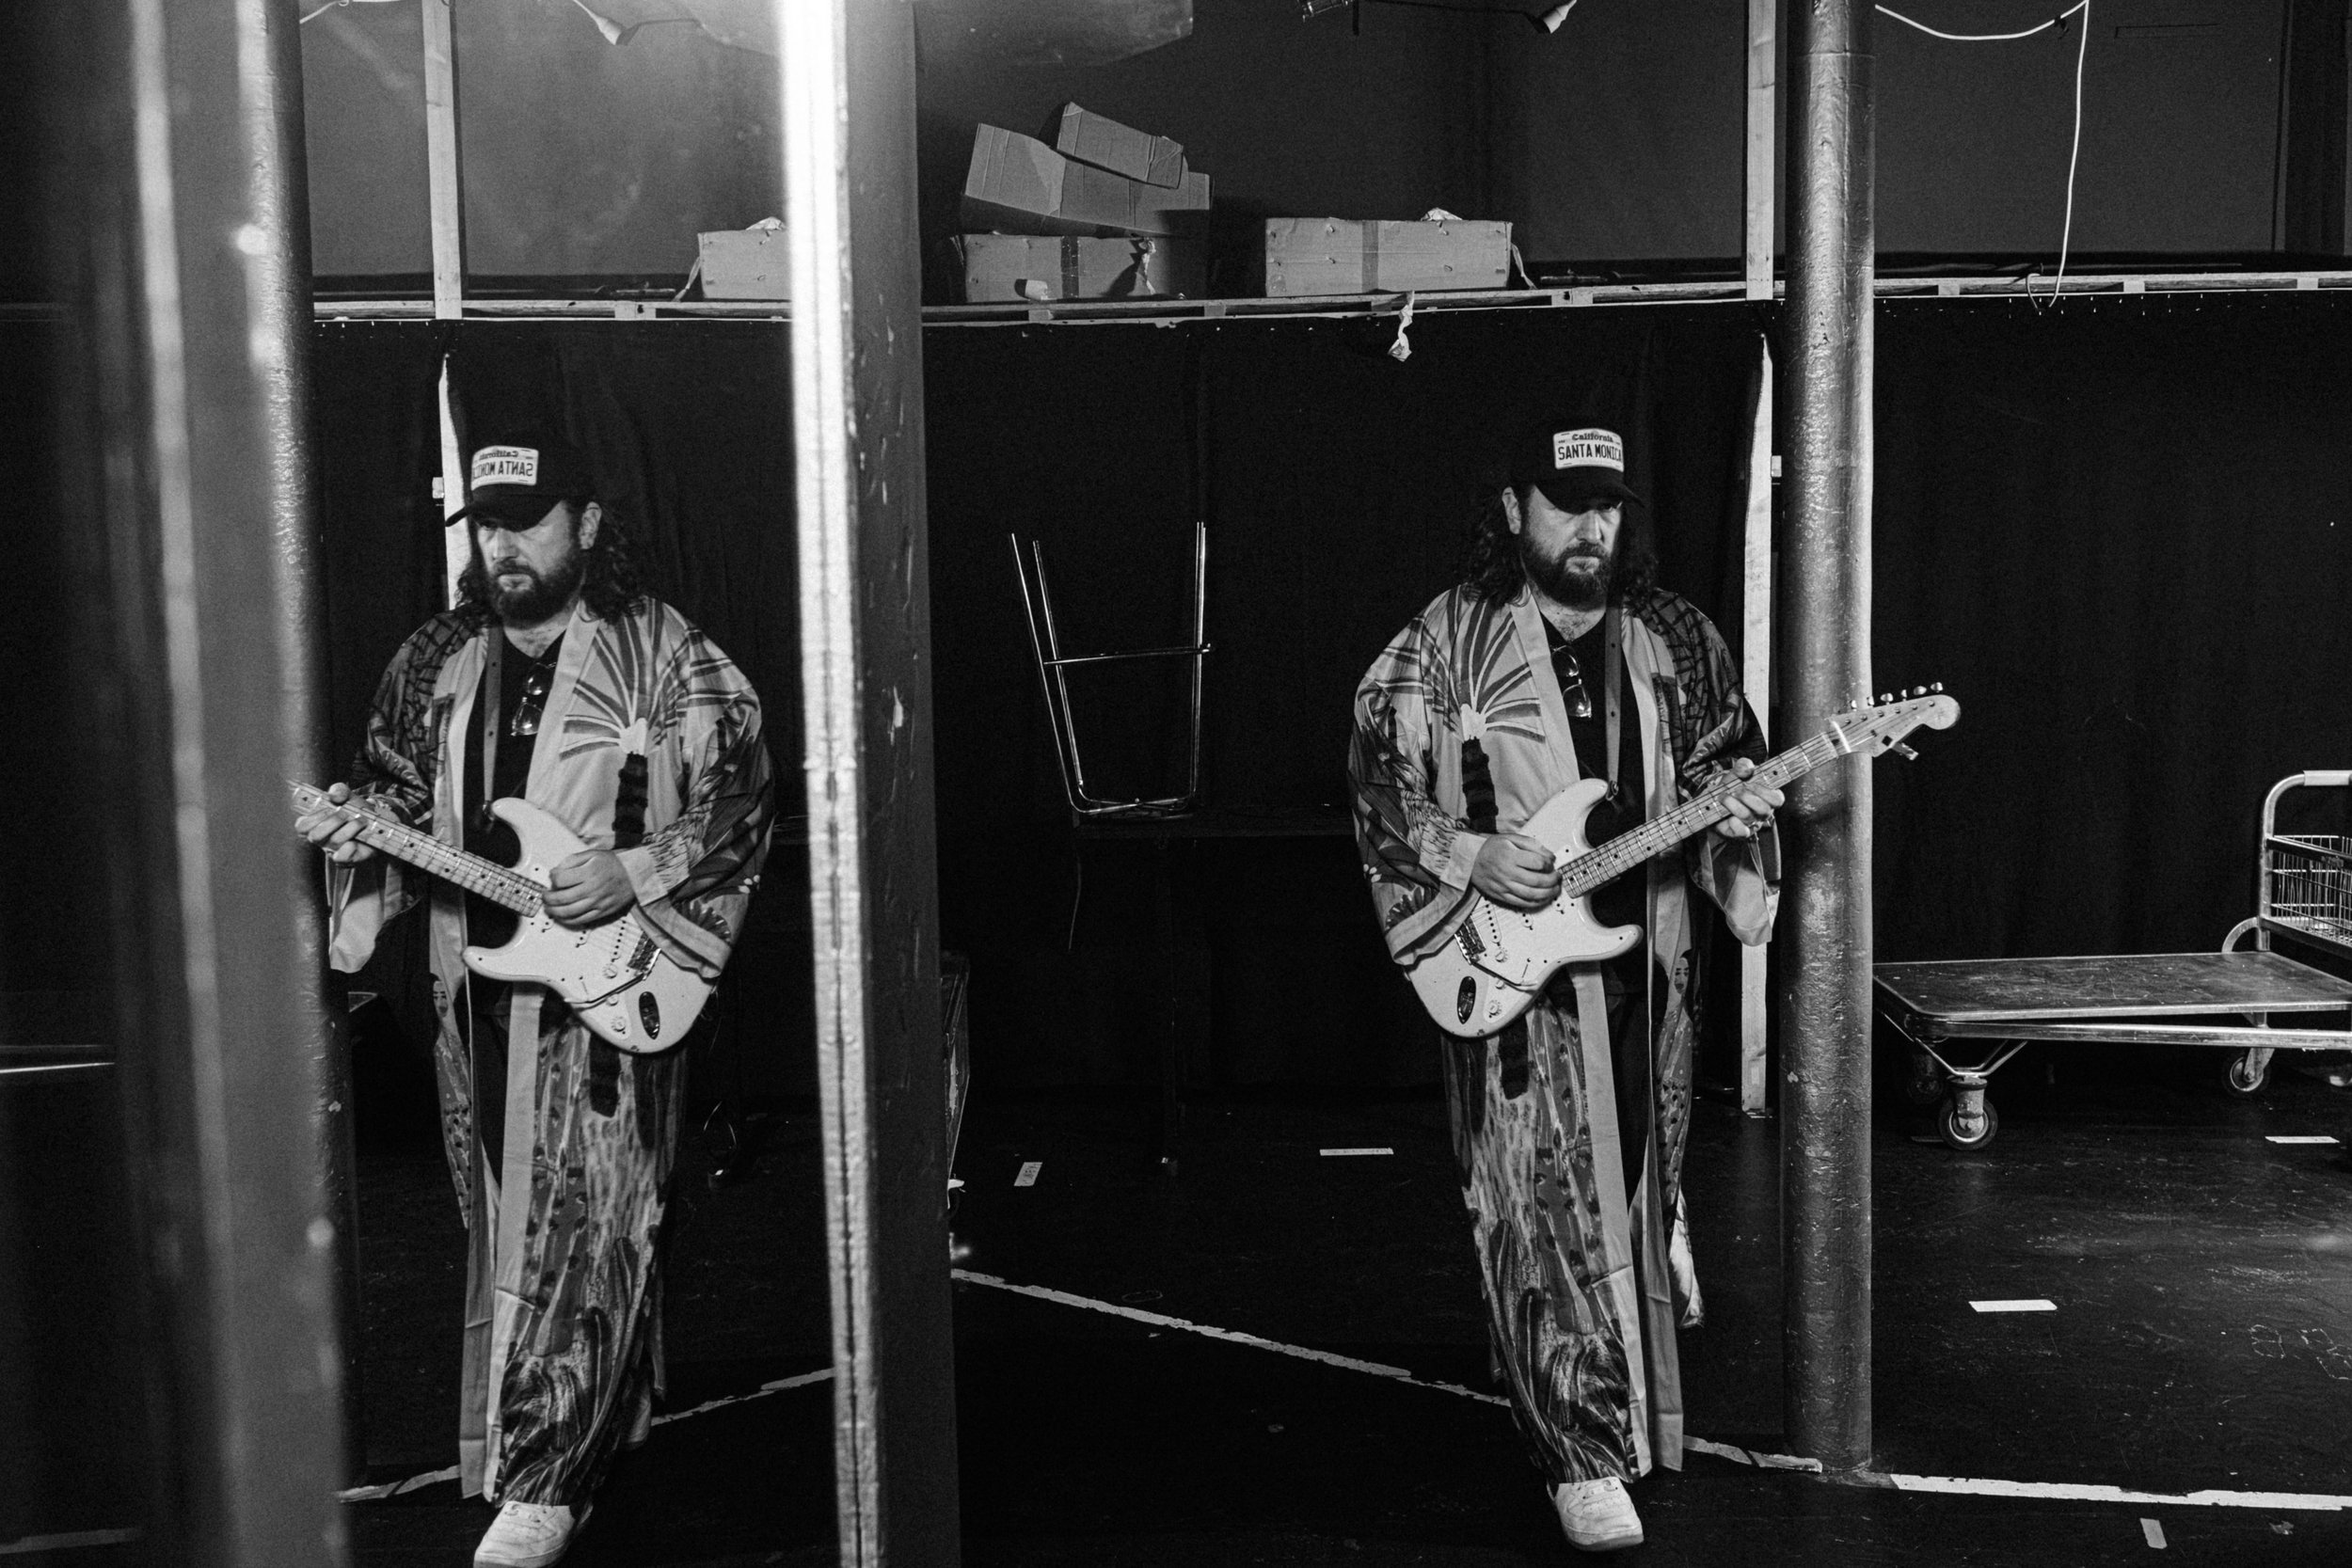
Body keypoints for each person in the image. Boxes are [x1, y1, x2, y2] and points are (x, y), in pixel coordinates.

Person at [297, 434, 774, 1568]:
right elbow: (398, 788)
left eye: (529, 519)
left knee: (593, 1214)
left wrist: (637, 866)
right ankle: (613, 1403)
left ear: (589, 523)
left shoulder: (667, 657)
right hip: (477, 982)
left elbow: (742, 796)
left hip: (617, 980)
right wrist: (354, 825)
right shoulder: (436, 657)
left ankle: (548, 1477)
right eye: (489, 525)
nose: (506, 546)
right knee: (511, 1214)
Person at [1346, 420, 1781, 1553]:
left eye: (1608, 507)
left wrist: (1734, 797)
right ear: (1512, 509)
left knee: (1640, 1155)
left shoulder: (1675, 634)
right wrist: (1468, 851)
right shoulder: (1446, 641)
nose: (1591, 529)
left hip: (1650, 956)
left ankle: (1655, 1246)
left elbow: (1720, 756)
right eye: (1566, 503)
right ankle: (1576, 1457)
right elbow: (1378, 780)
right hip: (1515, 974)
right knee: (1531, 1206)